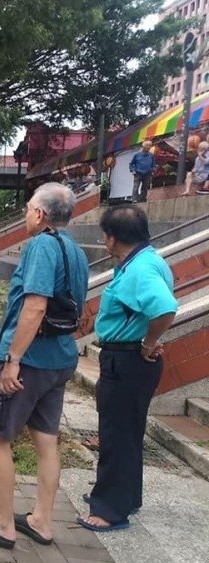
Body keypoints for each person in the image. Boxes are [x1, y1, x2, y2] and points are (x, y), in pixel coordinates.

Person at [0, 182, 89, 549]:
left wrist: (13, 360)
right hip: (61, 358)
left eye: (28, 207)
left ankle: (2, 523)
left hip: (30, 361)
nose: (24, 213)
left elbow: (35, 306)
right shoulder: (75, 251)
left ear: (40, 214)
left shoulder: (40, 247)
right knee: (47, 441)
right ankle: (42, 522)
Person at [78, 206, 177, 532]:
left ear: (112, 237)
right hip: (131, 360)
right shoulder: (145, 261)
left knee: (116, 434)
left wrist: (149, 342)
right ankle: (124, 496)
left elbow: (164, 308)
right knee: (128, 432)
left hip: (129, 360)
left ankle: (109, 510)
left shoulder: (140, 270)